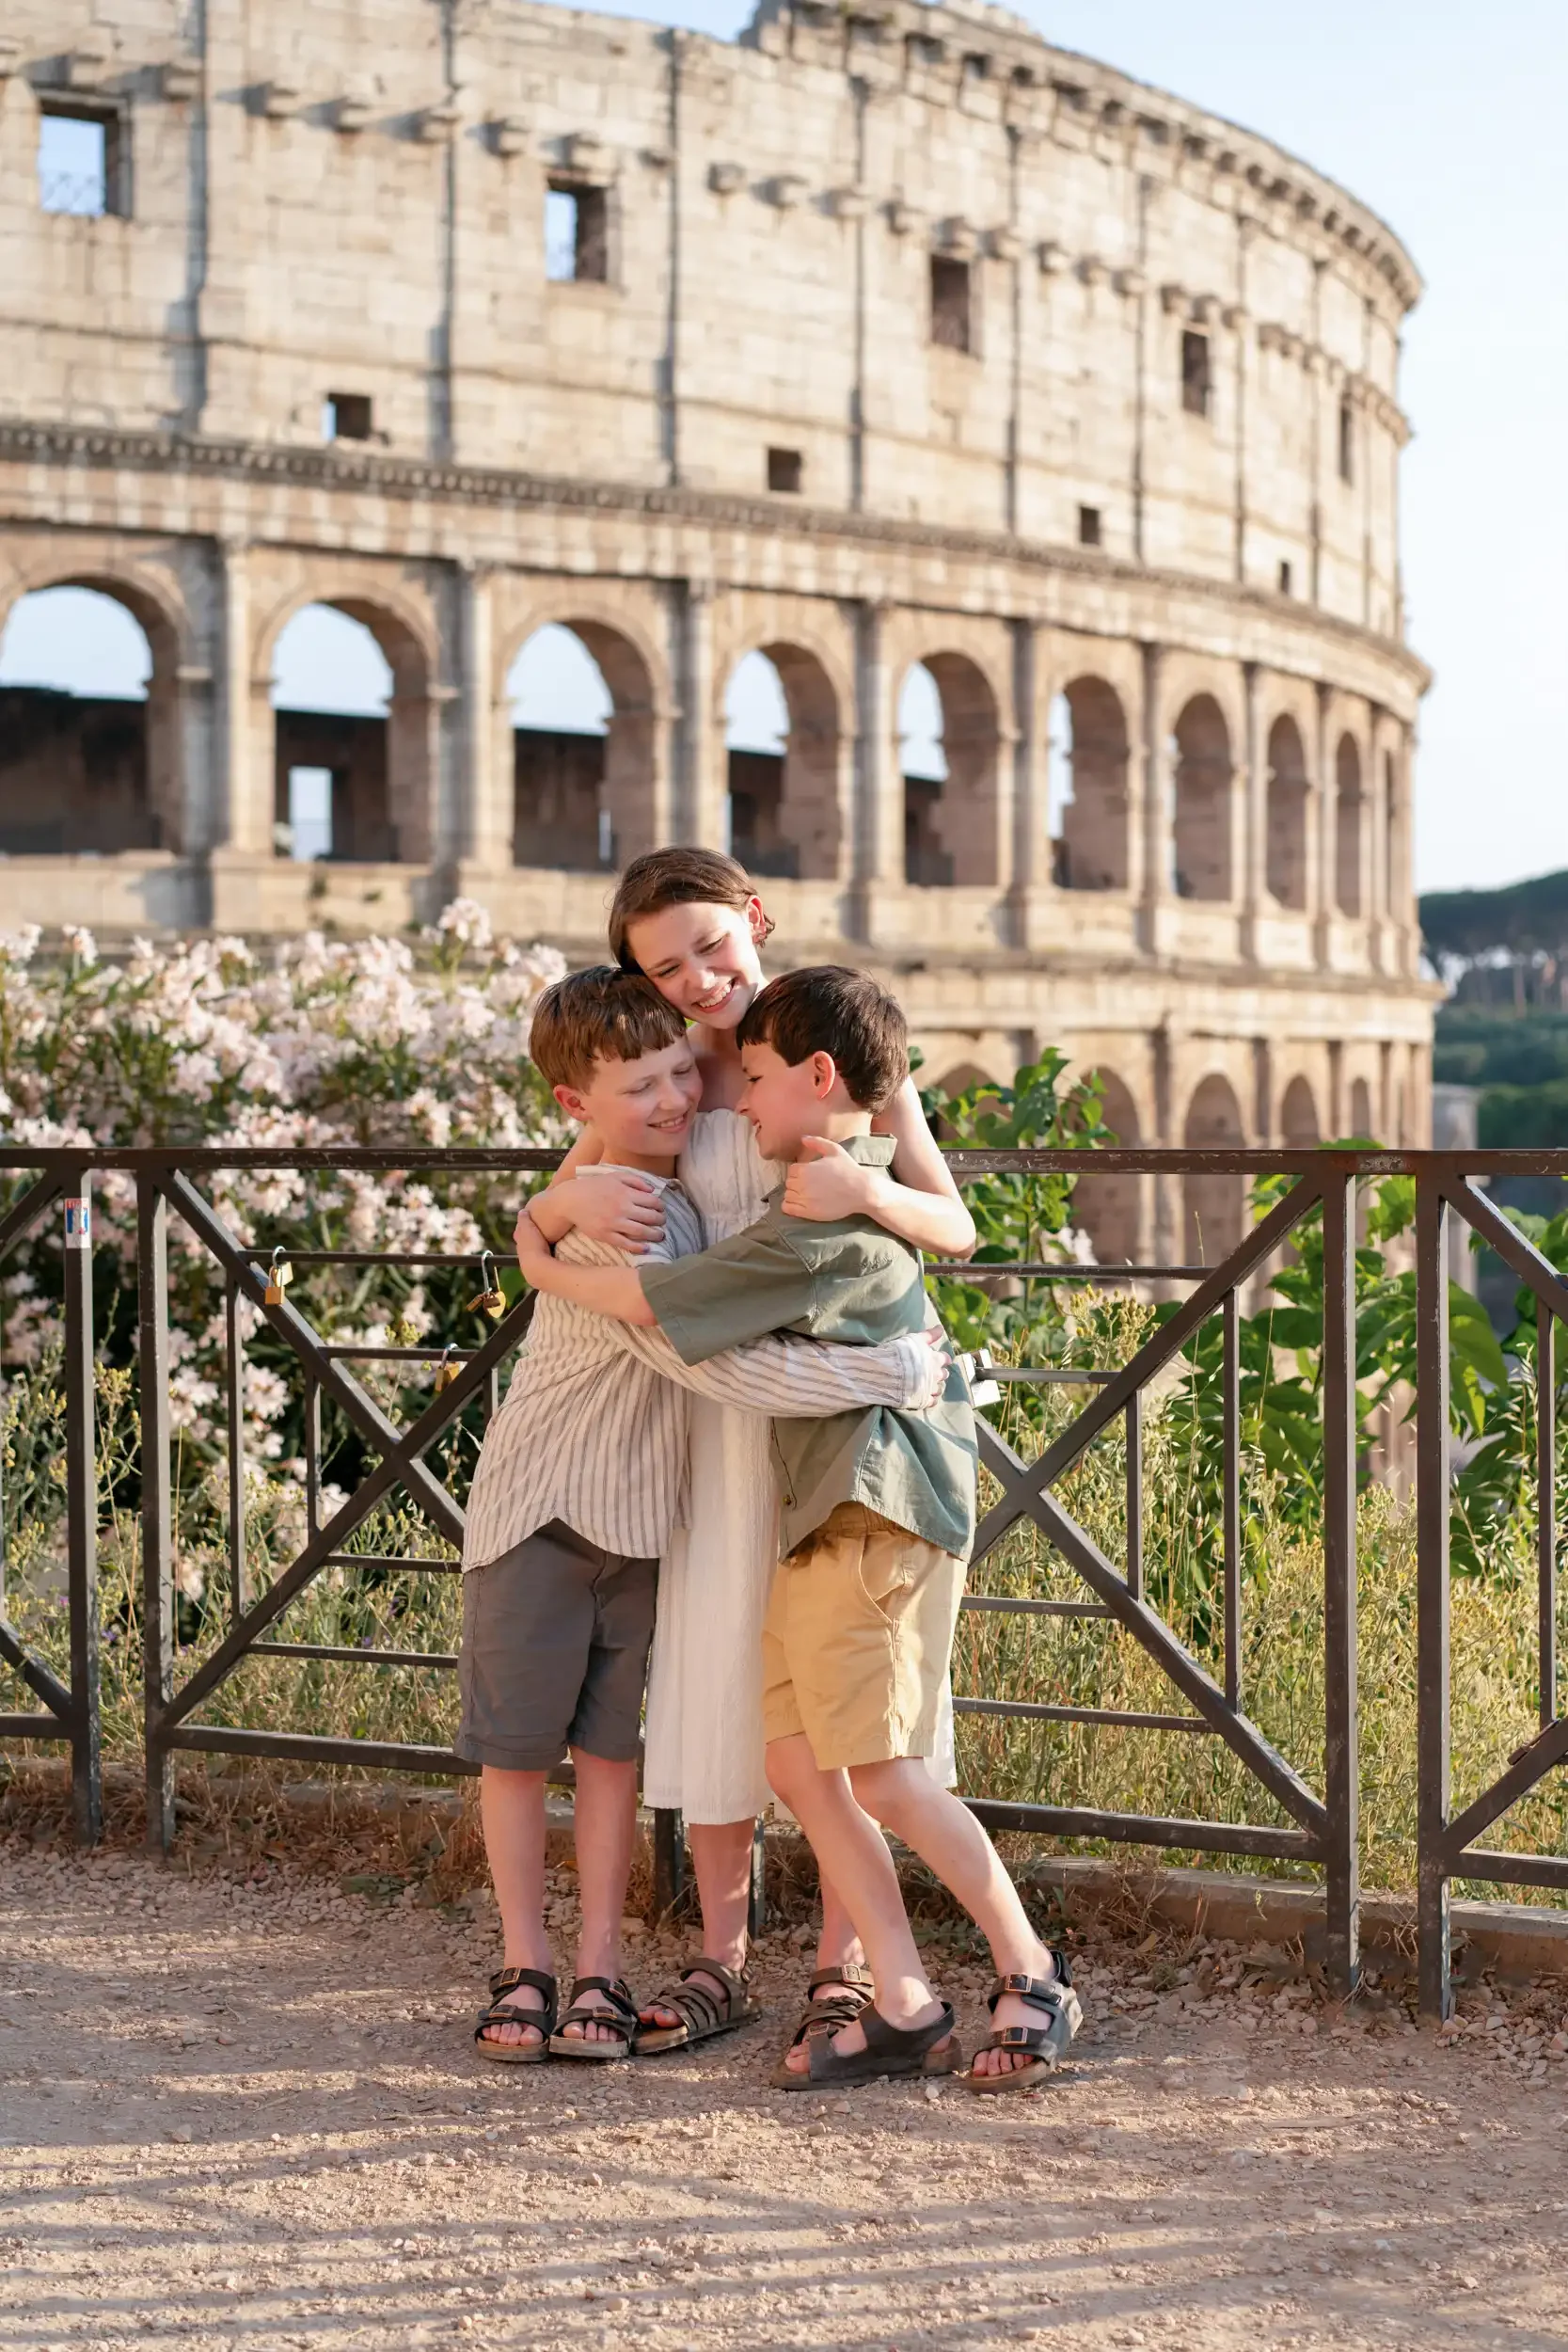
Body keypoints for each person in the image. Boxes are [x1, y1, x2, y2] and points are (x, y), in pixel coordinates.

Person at [515, 965, 1081, 2090]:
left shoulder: (817, 1207)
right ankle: (906, 2000)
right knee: (799, 1761)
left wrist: (537, 1253)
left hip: (868, 1509)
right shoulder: (830, 1189)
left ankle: (1031, 1972)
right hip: (820, 1513)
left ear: (820, 1079)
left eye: (758, 1081)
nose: (741, 1101)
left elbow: (657, 1312)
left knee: (883, 1773)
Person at [463, 965, 949, 2064]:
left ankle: (624, 1962)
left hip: (659, 1494)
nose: (683, 1095)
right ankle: (537, 1962)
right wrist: (542, 1231)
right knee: (531, 1745)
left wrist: (541, 1223)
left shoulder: (778, 1075)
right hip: (572, 1489)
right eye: (653, 1081)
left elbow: (941, 1216)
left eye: (688, 1070)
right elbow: (699, 1355)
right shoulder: (627, 1197)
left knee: (620, 1748)